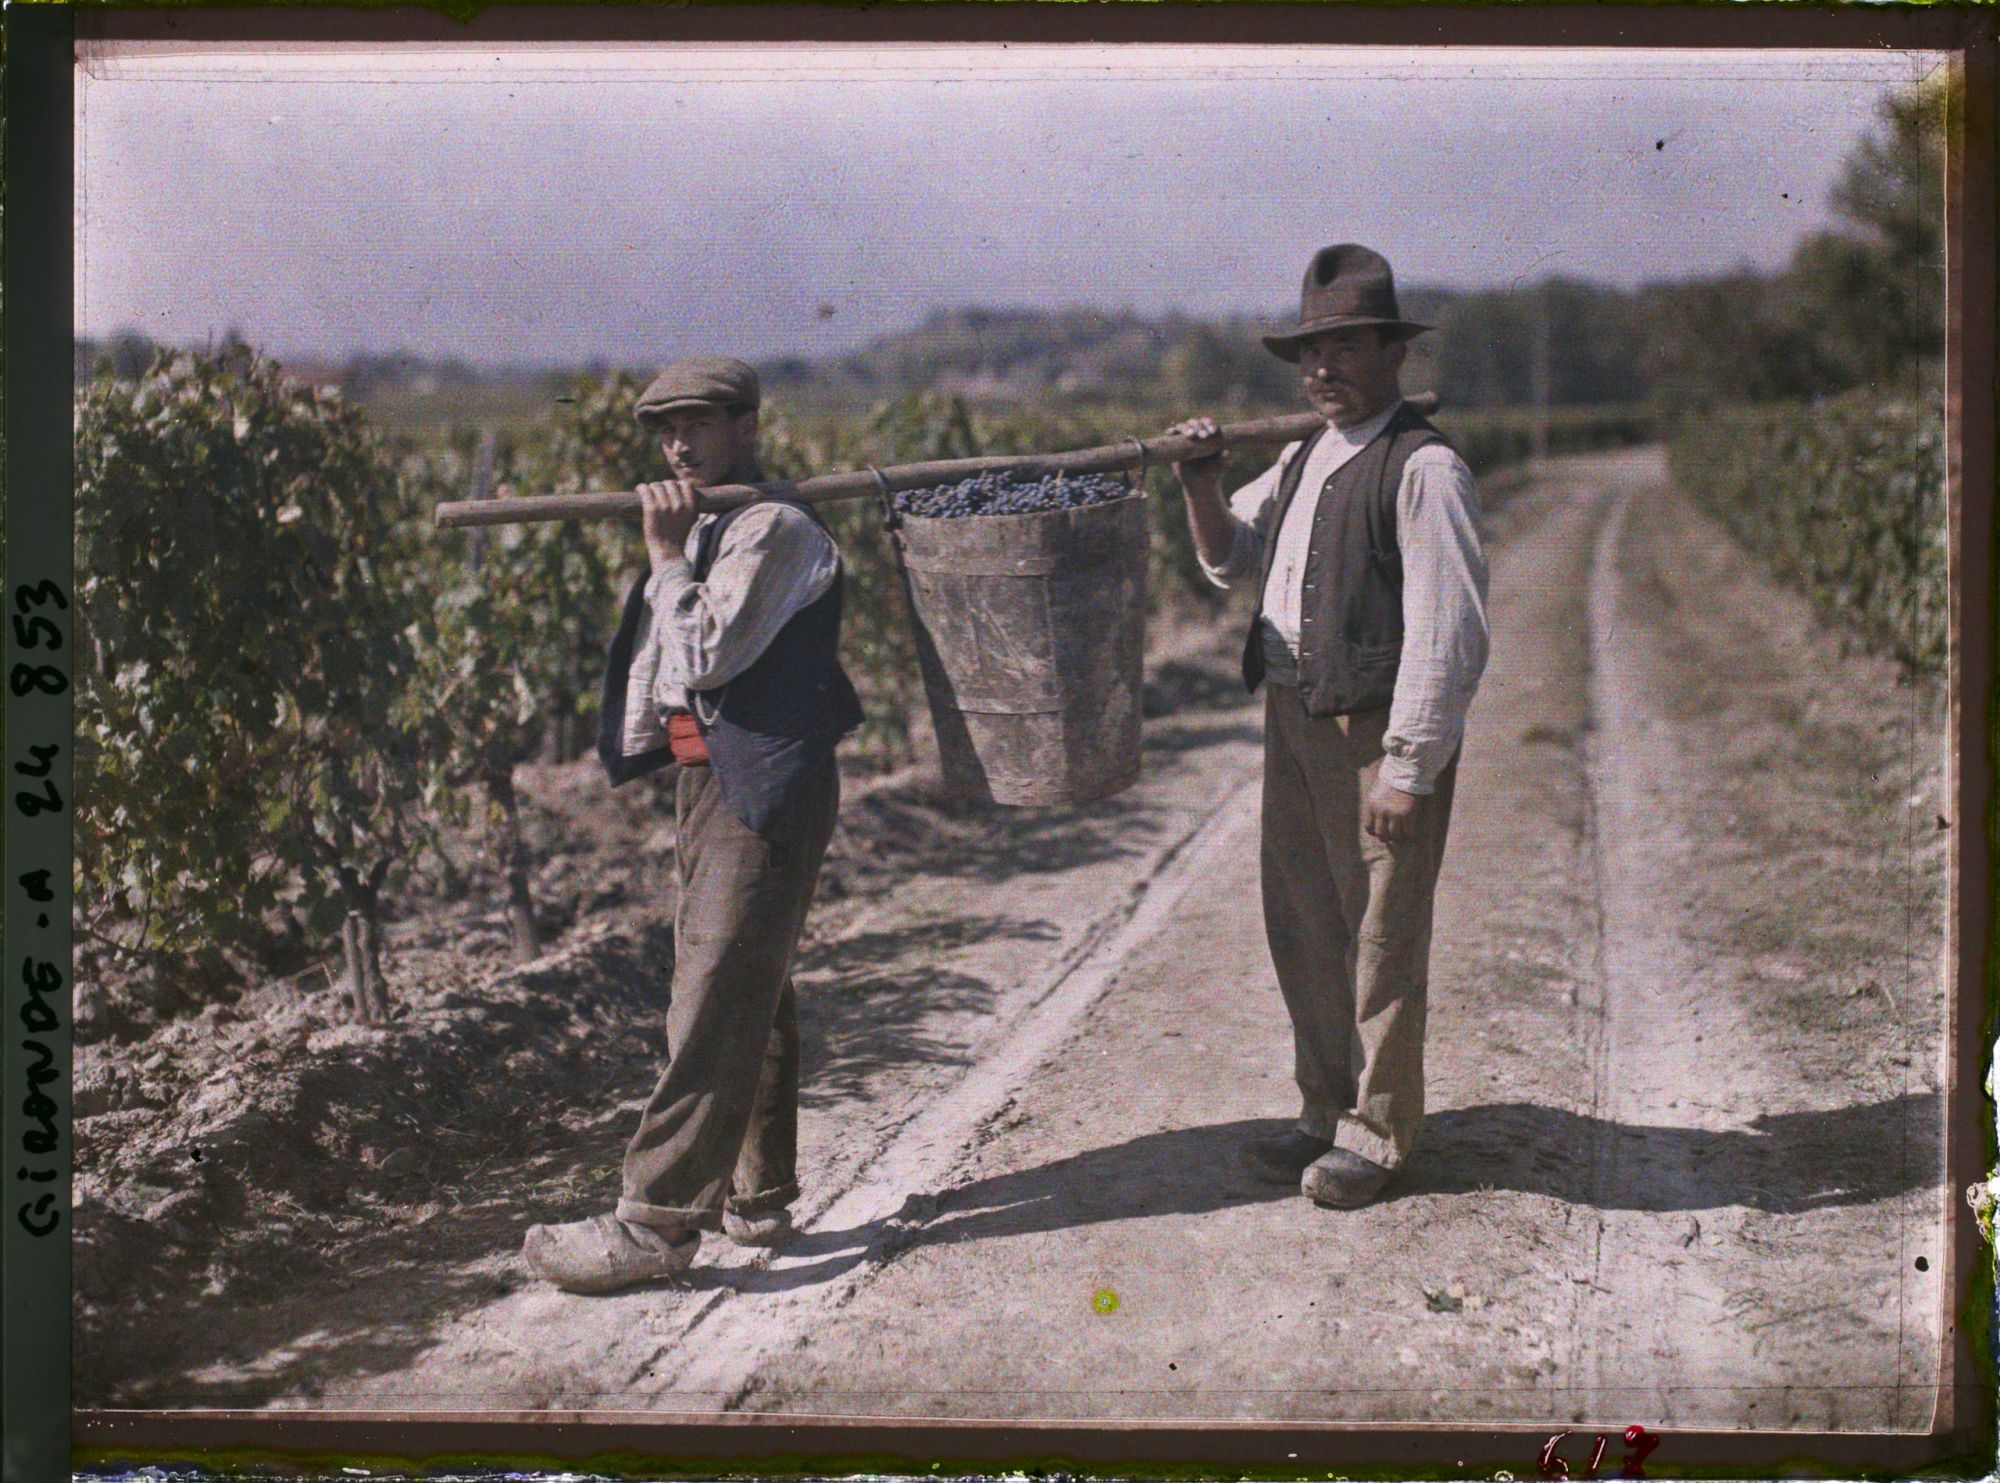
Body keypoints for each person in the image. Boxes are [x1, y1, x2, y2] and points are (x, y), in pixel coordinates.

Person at [522, 354, 864, 1293]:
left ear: (746, 426)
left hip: (765, 777)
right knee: (748, 971)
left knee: (715, 987)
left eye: (699, 425)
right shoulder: (713, 525)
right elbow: (662, 665)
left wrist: (665, 558)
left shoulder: (775, 528)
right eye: (665, 430)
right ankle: (759, 1190)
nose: (678, 444)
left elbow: (706, 652)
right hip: (709, 777)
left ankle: (658, 1219)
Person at [1168, 244, 1489, 1210]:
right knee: (1304, 922)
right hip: (1294, 722)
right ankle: (1322, 1108)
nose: (1323, 370)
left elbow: (1453, 632)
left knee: (1381, 936)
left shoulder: (1423, 468)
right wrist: (1198, 483)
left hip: (1376, 734)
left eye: (1346, 347)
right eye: (1311, 353)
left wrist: (1409, 767)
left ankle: (1382, 1133)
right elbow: (1232, 559)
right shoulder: (1304, 455)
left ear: (1394, 354)